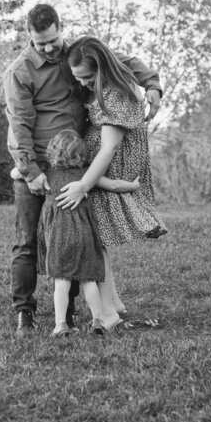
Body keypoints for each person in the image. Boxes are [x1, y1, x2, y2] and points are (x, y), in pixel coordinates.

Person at [4, 3, 163, 336]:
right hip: (39, 165)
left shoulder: (76, 54)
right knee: (28, 240)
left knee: (76, 234)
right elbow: (18, 125)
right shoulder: (19, 72)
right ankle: (25, 312)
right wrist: (31, 171)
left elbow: (125, 63)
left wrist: (152, 85)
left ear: (61, 29)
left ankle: (74, 312)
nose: (48, 48)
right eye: (40, 42)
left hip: (76, 164)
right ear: (30, 36)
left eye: (52, 40)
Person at [54, 35, 167, 331]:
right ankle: (112, 305)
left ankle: (107, 314)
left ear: (102, 68)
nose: (82, 84)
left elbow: (109, 149)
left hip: (105, 172)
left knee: (95, 243)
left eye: (87, 78)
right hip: (100, 173)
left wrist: (83, 185)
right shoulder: (102, 79)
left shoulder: (116, 95)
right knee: (97, 241)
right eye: (78, 78)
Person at [33, 129, 133, 337]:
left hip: (59, 237)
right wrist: (134, 184)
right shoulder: (86, 175)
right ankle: (97, 319)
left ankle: (60, 324)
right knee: (88, 279)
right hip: (85, 235)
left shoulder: (47, 174)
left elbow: (16, 173)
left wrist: (26, 170)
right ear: (81, 153)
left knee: (62, 281)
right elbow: (114, 185)